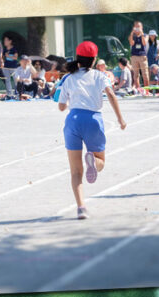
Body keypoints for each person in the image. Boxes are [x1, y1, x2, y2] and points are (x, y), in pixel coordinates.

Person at [58, 41, 126, 219]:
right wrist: (120, 119)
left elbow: (60, 106)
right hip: (93, 120)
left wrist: (68, 104)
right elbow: (111, 94)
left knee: (75, 171)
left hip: (73, 121)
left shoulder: (68, 78)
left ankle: (81, 207)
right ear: (94, 60)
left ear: (77, 59)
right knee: (101, 161)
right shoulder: (99, 75)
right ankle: (93, 163)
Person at [128, 21, 149, 87]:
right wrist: (132, 33)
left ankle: (147, 90)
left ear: (142, 27)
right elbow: (131, 43)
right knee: (135, 75)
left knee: (145, 74)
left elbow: (144, 43)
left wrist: (141, 33)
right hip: (134, 56)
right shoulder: (132, 36)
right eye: (136, 27)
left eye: (138, 27)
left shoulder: (145, 35)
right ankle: (138, 90)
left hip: (142, 56)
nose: (137, 28)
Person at [1, 34, 18, 100]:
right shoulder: (5, 49)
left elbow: (15, 57)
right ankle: (9, 94)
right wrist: (2, 62)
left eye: (6, 40)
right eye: (4, 40)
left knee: (15, 80)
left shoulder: (14, 49)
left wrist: (8, 56)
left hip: (13, 67)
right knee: (7, 80)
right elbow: (3, 57)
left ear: (10, 41)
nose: (5, 42)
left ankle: (18, 93)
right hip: (6, 67)